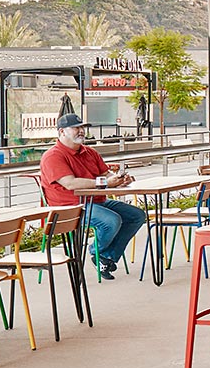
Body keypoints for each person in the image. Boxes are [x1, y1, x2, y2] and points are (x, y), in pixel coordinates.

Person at [40, 112, 146, 280]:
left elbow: (106, 174)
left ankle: (106, 256)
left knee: (137, 215)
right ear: (61, 132)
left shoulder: (89, 152)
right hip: (69, 208)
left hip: (96, 200)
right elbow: (70, 183)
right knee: (111, 221)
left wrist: (119, 179)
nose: (81, 131)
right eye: (76, 128)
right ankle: (95, 252)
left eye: (82, 127)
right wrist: (106, 183)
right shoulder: (53, 156)